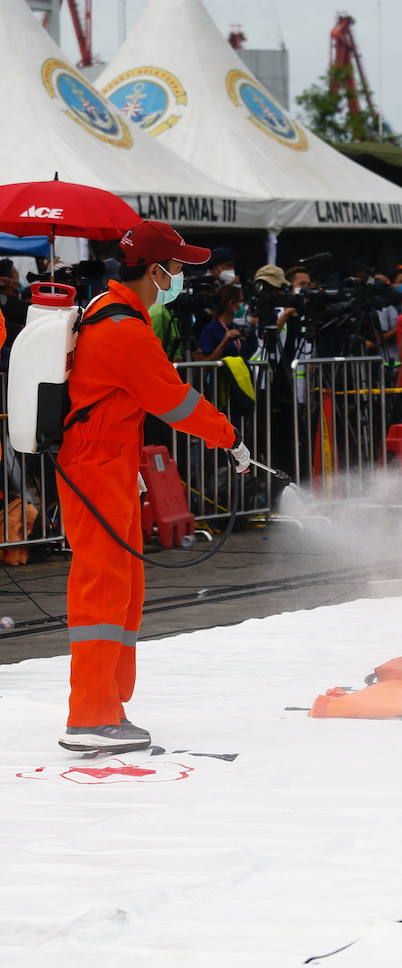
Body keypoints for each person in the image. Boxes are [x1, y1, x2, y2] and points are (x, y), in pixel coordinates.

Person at [57, 220, 248, 752]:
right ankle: (91, 717)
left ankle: (106, 705)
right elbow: (175, 401)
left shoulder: (107, 311)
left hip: (106, 466)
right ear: (158, 270)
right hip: (97, 468)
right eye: (179, 266)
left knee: (122, 587)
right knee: (103, 589)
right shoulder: (124, 330)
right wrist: (228, 437)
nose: (183, 275)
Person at [196, 285, 257, 362]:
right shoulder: (211, 329)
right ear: (231, 304)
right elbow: (205, 365)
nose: (242, 306)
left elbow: (248, 353)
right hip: (220, 373)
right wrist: (224, 343)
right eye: (240, 302)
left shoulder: (236, 327)